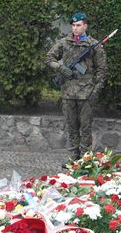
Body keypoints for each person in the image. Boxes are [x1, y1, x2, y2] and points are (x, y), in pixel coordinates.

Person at [46, 12, 108, 163]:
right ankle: (73, 159)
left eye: (78, 25)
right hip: (68, 93)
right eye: (73, 25)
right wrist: (60, 68)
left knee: (85, 129)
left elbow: (102, 70)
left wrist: (96, 90)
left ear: (85, 26)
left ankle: (85, 161)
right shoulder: (64, 43)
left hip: (86, 94)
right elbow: (49, 58)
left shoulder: (94, 45)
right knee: (72, 128)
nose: (75, 28)